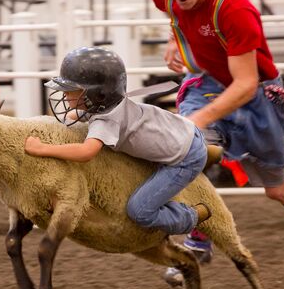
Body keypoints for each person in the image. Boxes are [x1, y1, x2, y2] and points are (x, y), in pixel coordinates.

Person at [151, 0, 284, 282]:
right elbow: (177, 14)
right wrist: (176, 39)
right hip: (206, 83)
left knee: (276, 188)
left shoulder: (233, 6)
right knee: (189, 148)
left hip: (256, 96)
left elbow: (244, 83)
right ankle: (199, 241)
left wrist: (197, 119)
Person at [24, 46, 212, 236]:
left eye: (71, 91)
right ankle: (208, 151)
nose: (65, 95)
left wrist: (42, 149)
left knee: (139, 211)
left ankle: (192, 216)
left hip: (185, 158)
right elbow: (80, 114)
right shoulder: (110, 103)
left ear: (97, 94)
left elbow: (86, 152)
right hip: (183, 131)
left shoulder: (107, 120)